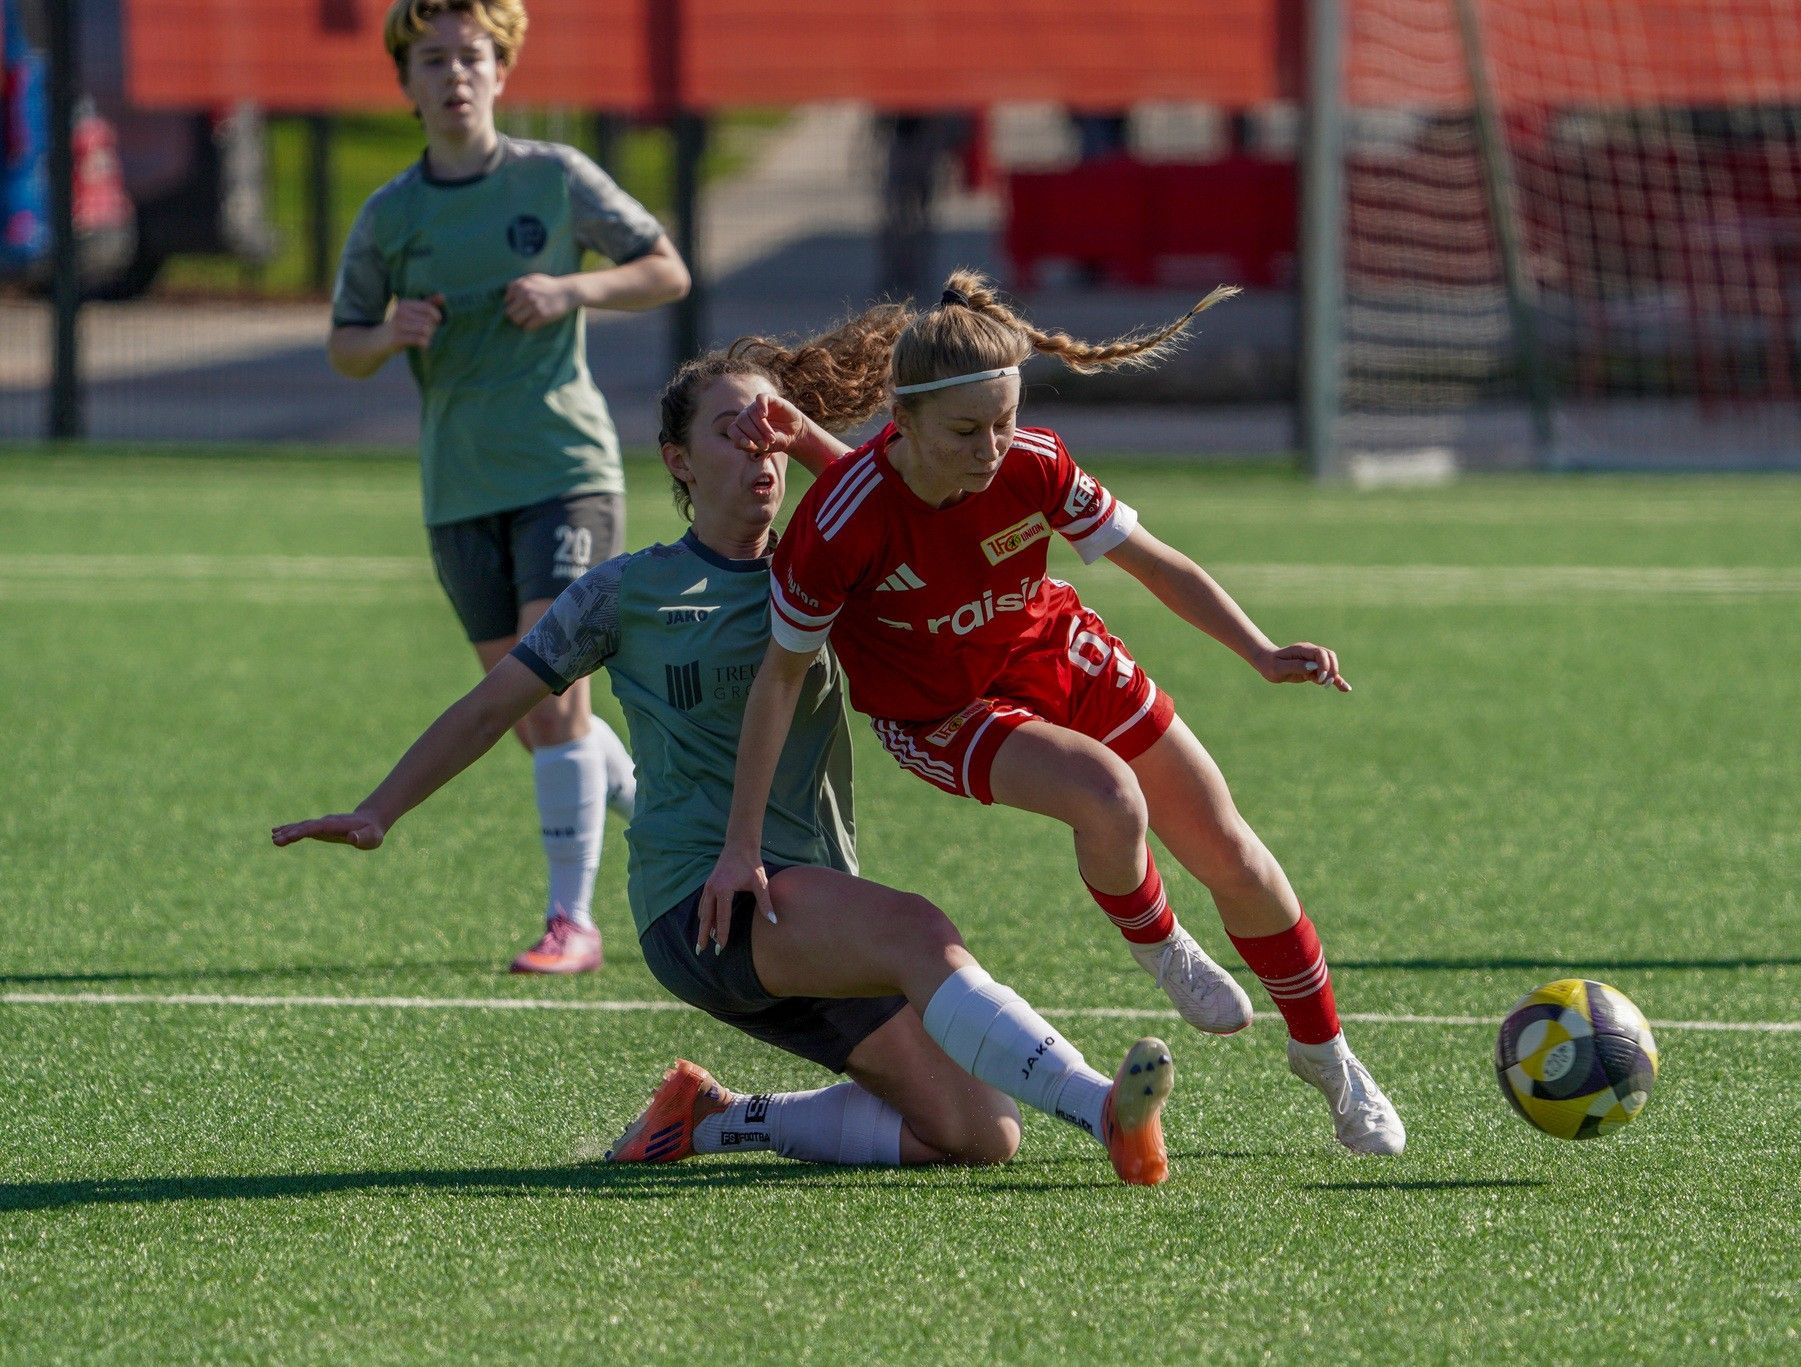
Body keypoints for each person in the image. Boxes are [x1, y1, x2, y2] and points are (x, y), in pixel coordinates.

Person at [274, 318, 1178, 1184]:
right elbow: (489, 707)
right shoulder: (626, 592)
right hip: (701, 903)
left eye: (769, 431)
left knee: (979, 1133)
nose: (760, 453)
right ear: (678, 459)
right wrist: (379, 809)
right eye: (730, 432)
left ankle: (714, 1117)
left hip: (809, 906)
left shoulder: (830, 565)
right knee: (920, 932)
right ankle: (1102, 1107)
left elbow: (907, 513)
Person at [703, 270, 1405, 1156]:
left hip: (1052, 648)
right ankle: (1162, 946)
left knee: (1232, 850)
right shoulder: (837, 524)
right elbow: (777, 681)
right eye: (967, 430)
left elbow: (1156, 561)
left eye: (1004, 420)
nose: (991, 448)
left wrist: (1259, 650)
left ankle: (1330, 1059)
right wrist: (740, 845)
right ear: (901, 420)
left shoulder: (1034, 461)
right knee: (1106, 794)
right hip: (939, 713)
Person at [326, 0, 690, 974]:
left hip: (565, 470)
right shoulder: (391, 214)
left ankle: (573, 922)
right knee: (533, 715)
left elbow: (666, 269)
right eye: (433, 59)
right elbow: (344, 343)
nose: (454, 74)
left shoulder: (553, 178)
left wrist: (573, 289)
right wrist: (388, 333)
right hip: (459, 488)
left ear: (501, 70)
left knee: (555, 700)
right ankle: (671, 817)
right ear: (405, 82)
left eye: (472, 56)